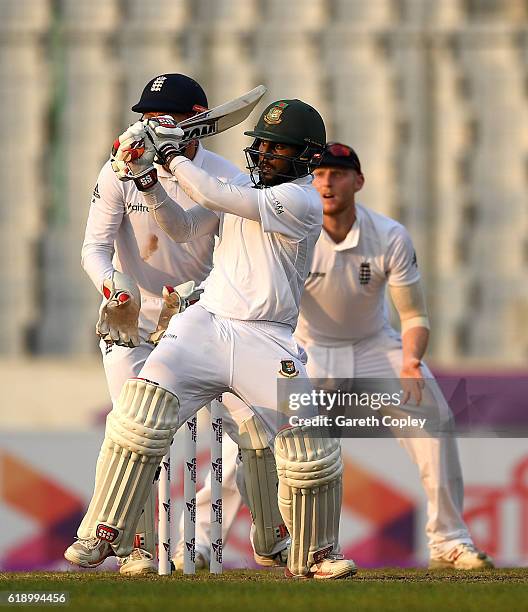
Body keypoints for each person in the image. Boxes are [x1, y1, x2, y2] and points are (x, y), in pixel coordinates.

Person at [65, 98, 357, 580]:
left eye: (278, 148)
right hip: (205, 324)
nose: (264, 154)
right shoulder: (242, 184)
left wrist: (168, 153)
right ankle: (102, 533)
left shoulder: (302, 201)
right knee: (139, 416)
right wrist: (146, 181)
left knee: (309, 446)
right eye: (260, 144)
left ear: (307, 156)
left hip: (266, 338)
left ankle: (315, 552)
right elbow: (180, 229)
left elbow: (220, 198)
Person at [65, 73, 241, 575]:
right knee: (132, 433)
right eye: (147, 113)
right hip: (131, 324)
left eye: (167, 115)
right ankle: (139, 544)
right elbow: (94, 249)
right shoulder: (117, 170)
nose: (152, 124)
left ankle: (202, 541)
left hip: (205, 320)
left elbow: (188, 234)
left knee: (242, 436)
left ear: (198, 121)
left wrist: (193, 300)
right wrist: (114, 289)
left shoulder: (223, 178)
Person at [295, 142, 494, 569]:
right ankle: (207, 540)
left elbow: (414, 314)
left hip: (374, 347)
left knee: (434, 421)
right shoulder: (296, 234)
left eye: (338, 173)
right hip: (310, 348)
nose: (327, 182)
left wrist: (409, 363)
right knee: (260, 437)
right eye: (318, 174)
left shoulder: (388, 235)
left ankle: (449, 540)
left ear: (359, 181)